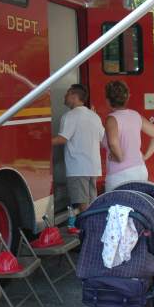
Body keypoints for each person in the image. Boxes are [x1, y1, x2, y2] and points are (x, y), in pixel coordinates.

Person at [52, 84, 104, 212]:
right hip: (93, 167)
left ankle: (87, 229)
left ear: (74, 97)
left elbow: (62, 138)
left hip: (78, 168)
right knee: (92, 202)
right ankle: (93, 227)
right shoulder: (94, 116)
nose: (64, 97)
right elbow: (102, 138)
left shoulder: (70, 116)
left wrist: (40, 142)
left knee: (82, 204)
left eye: (67, 94)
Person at [102, 80, 154, 192]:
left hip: (119, 174)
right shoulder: (136, 115)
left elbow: (113, 143)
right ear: (127, 97)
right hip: (140, 170)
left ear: (107, 100)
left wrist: (119, 158)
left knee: (116, 208)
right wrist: (145, 157)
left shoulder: (112, 119)